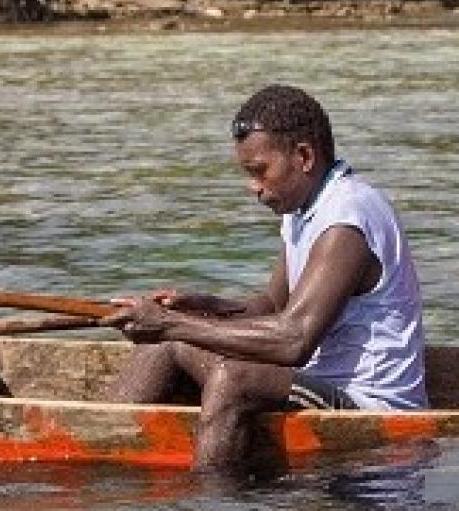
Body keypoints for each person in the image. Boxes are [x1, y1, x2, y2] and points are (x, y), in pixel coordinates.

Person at [104, 85, 429, 473]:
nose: (253, 187)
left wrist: (172, 324)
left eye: (260, 171)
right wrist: (202, 308)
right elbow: (271, 309)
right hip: (313, 381)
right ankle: (100, 445)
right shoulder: (305, 210)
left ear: (304, 156)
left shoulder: (346, 217)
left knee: (231, 378)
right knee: (166, 344)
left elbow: (293, 341)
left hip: (368, 402)